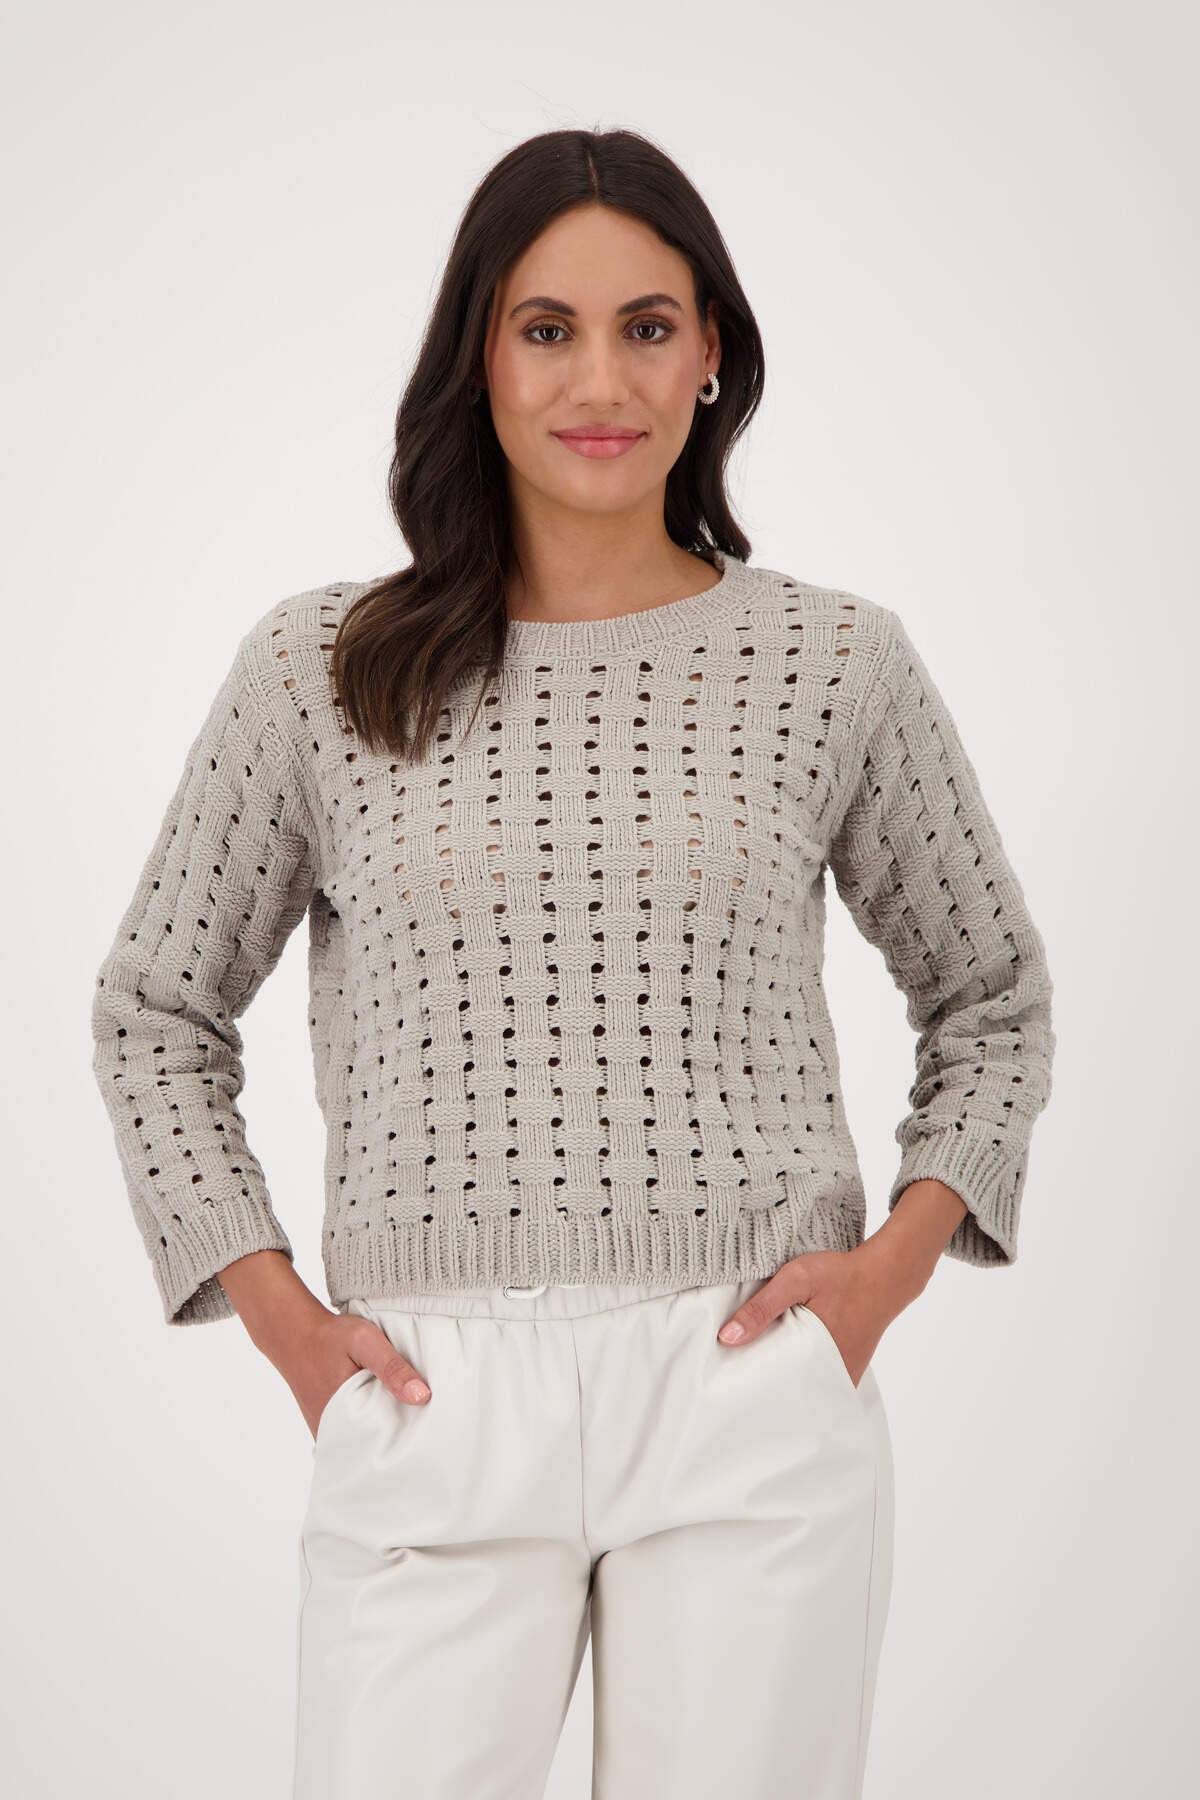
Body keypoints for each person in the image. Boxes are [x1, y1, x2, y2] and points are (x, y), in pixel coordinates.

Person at [90, 126, 1056, 1800]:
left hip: (748, 1390)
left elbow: (993, 1001)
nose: (600, 380)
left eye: (647, 326)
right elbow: (154, 1014)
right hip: (430, 1391)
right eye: (547, 329)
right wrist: (282, 1320)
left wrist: (884, 1277)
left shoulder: (833, 661)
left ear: (712, 354)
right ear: (477, 357)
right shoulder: (321, 670)